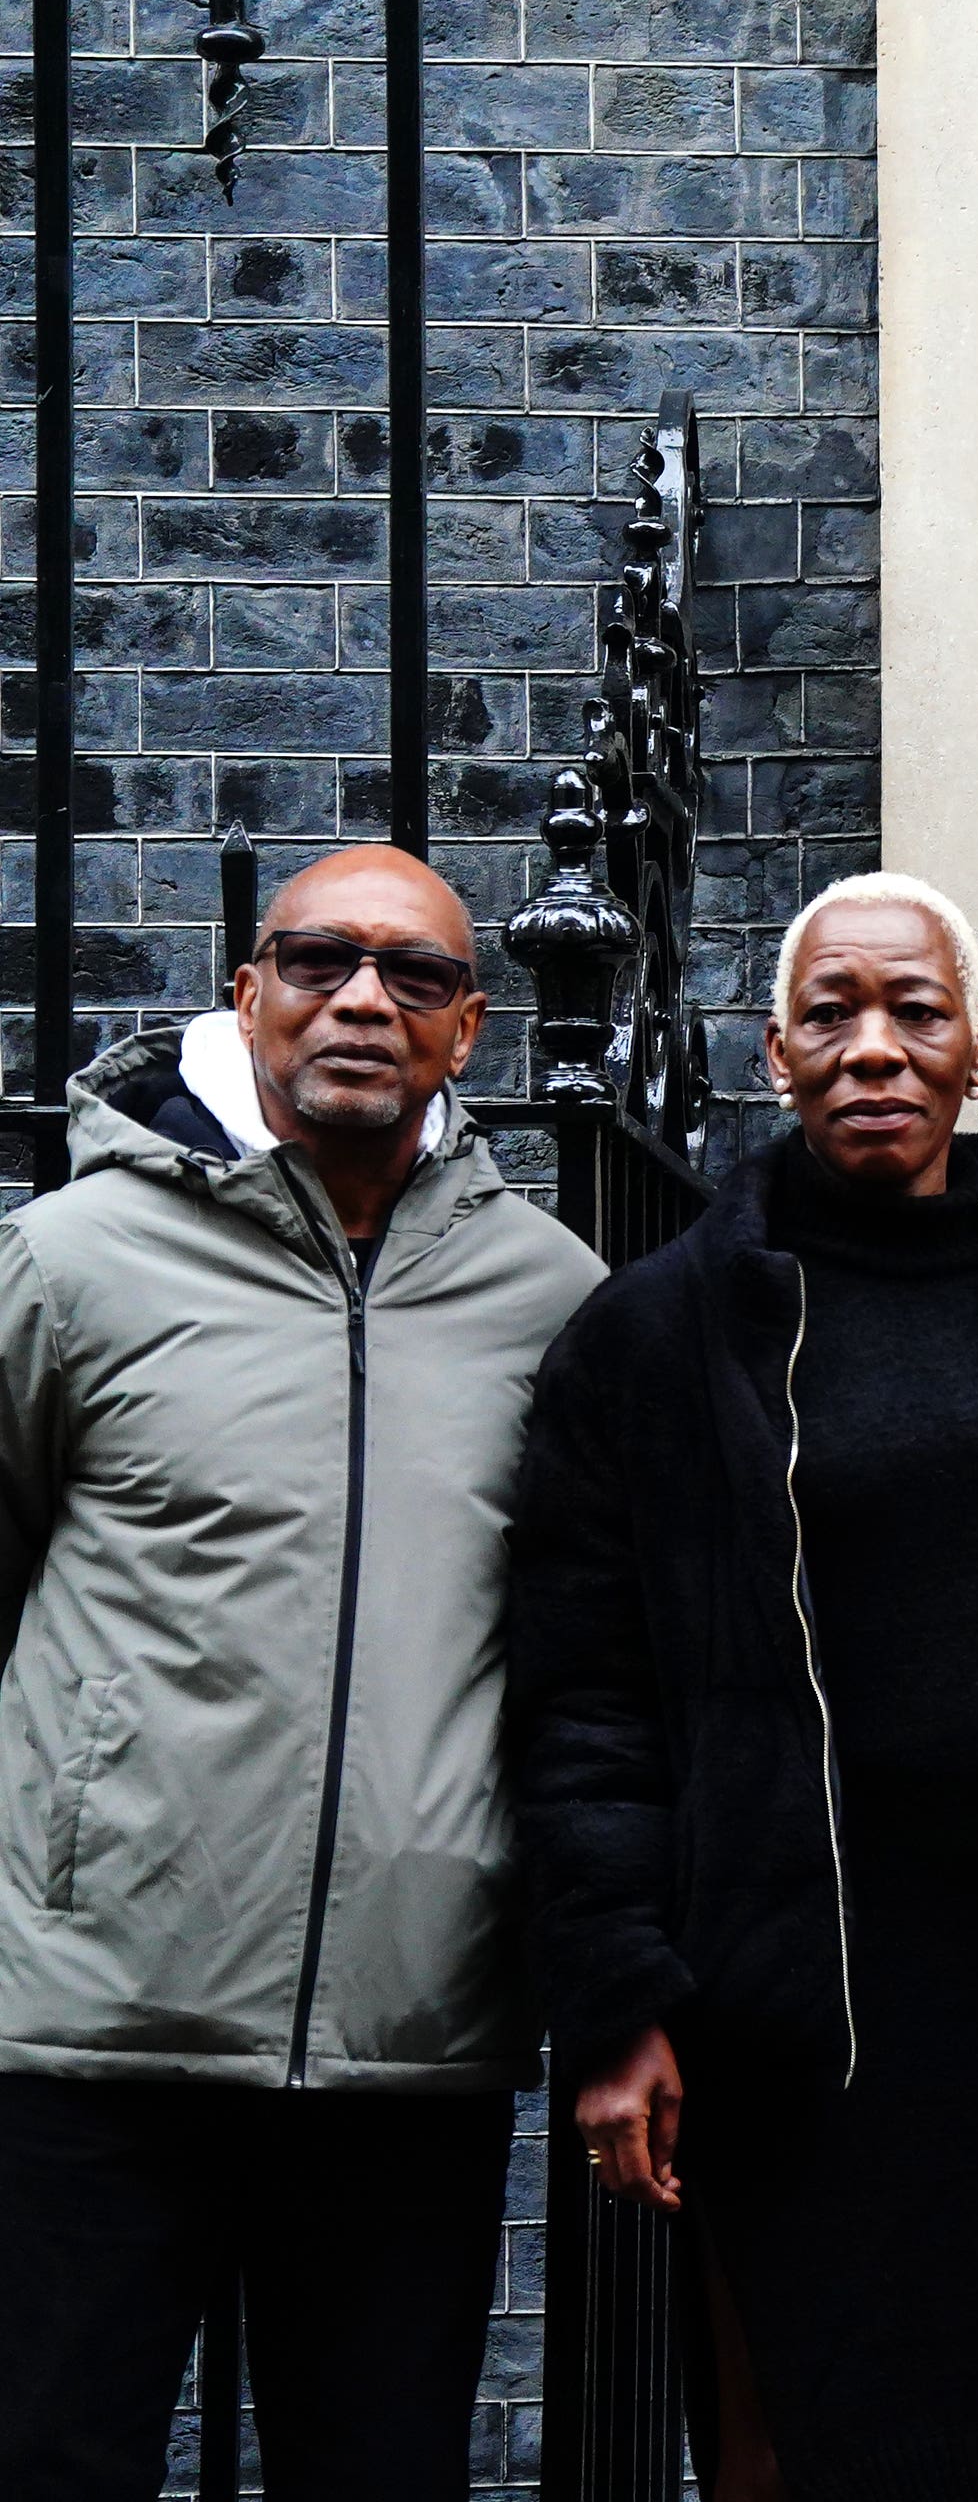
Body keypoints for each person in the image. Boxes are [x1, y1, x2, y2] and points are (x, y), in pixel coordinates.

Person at [510, 872, 978, 2502]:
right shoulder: (654, 1338)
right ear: (775, 1050)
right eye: (832, 1014)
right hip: (788, 2002)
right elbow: (583, 1693)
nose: (875, 1048)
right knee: (794, 2439)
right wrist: (613, 2000)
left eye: (915, 1012)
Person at [0, 847, 606, 2499]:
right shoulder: (70, 1263)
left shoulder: (553, 1300)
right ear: (246, 994)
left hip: (413, 2036)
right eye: (319, 961)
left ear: (470, 1029)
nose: (361, 999)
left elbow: (592, 1652)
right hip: (97, 2022)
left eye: (412, 976)